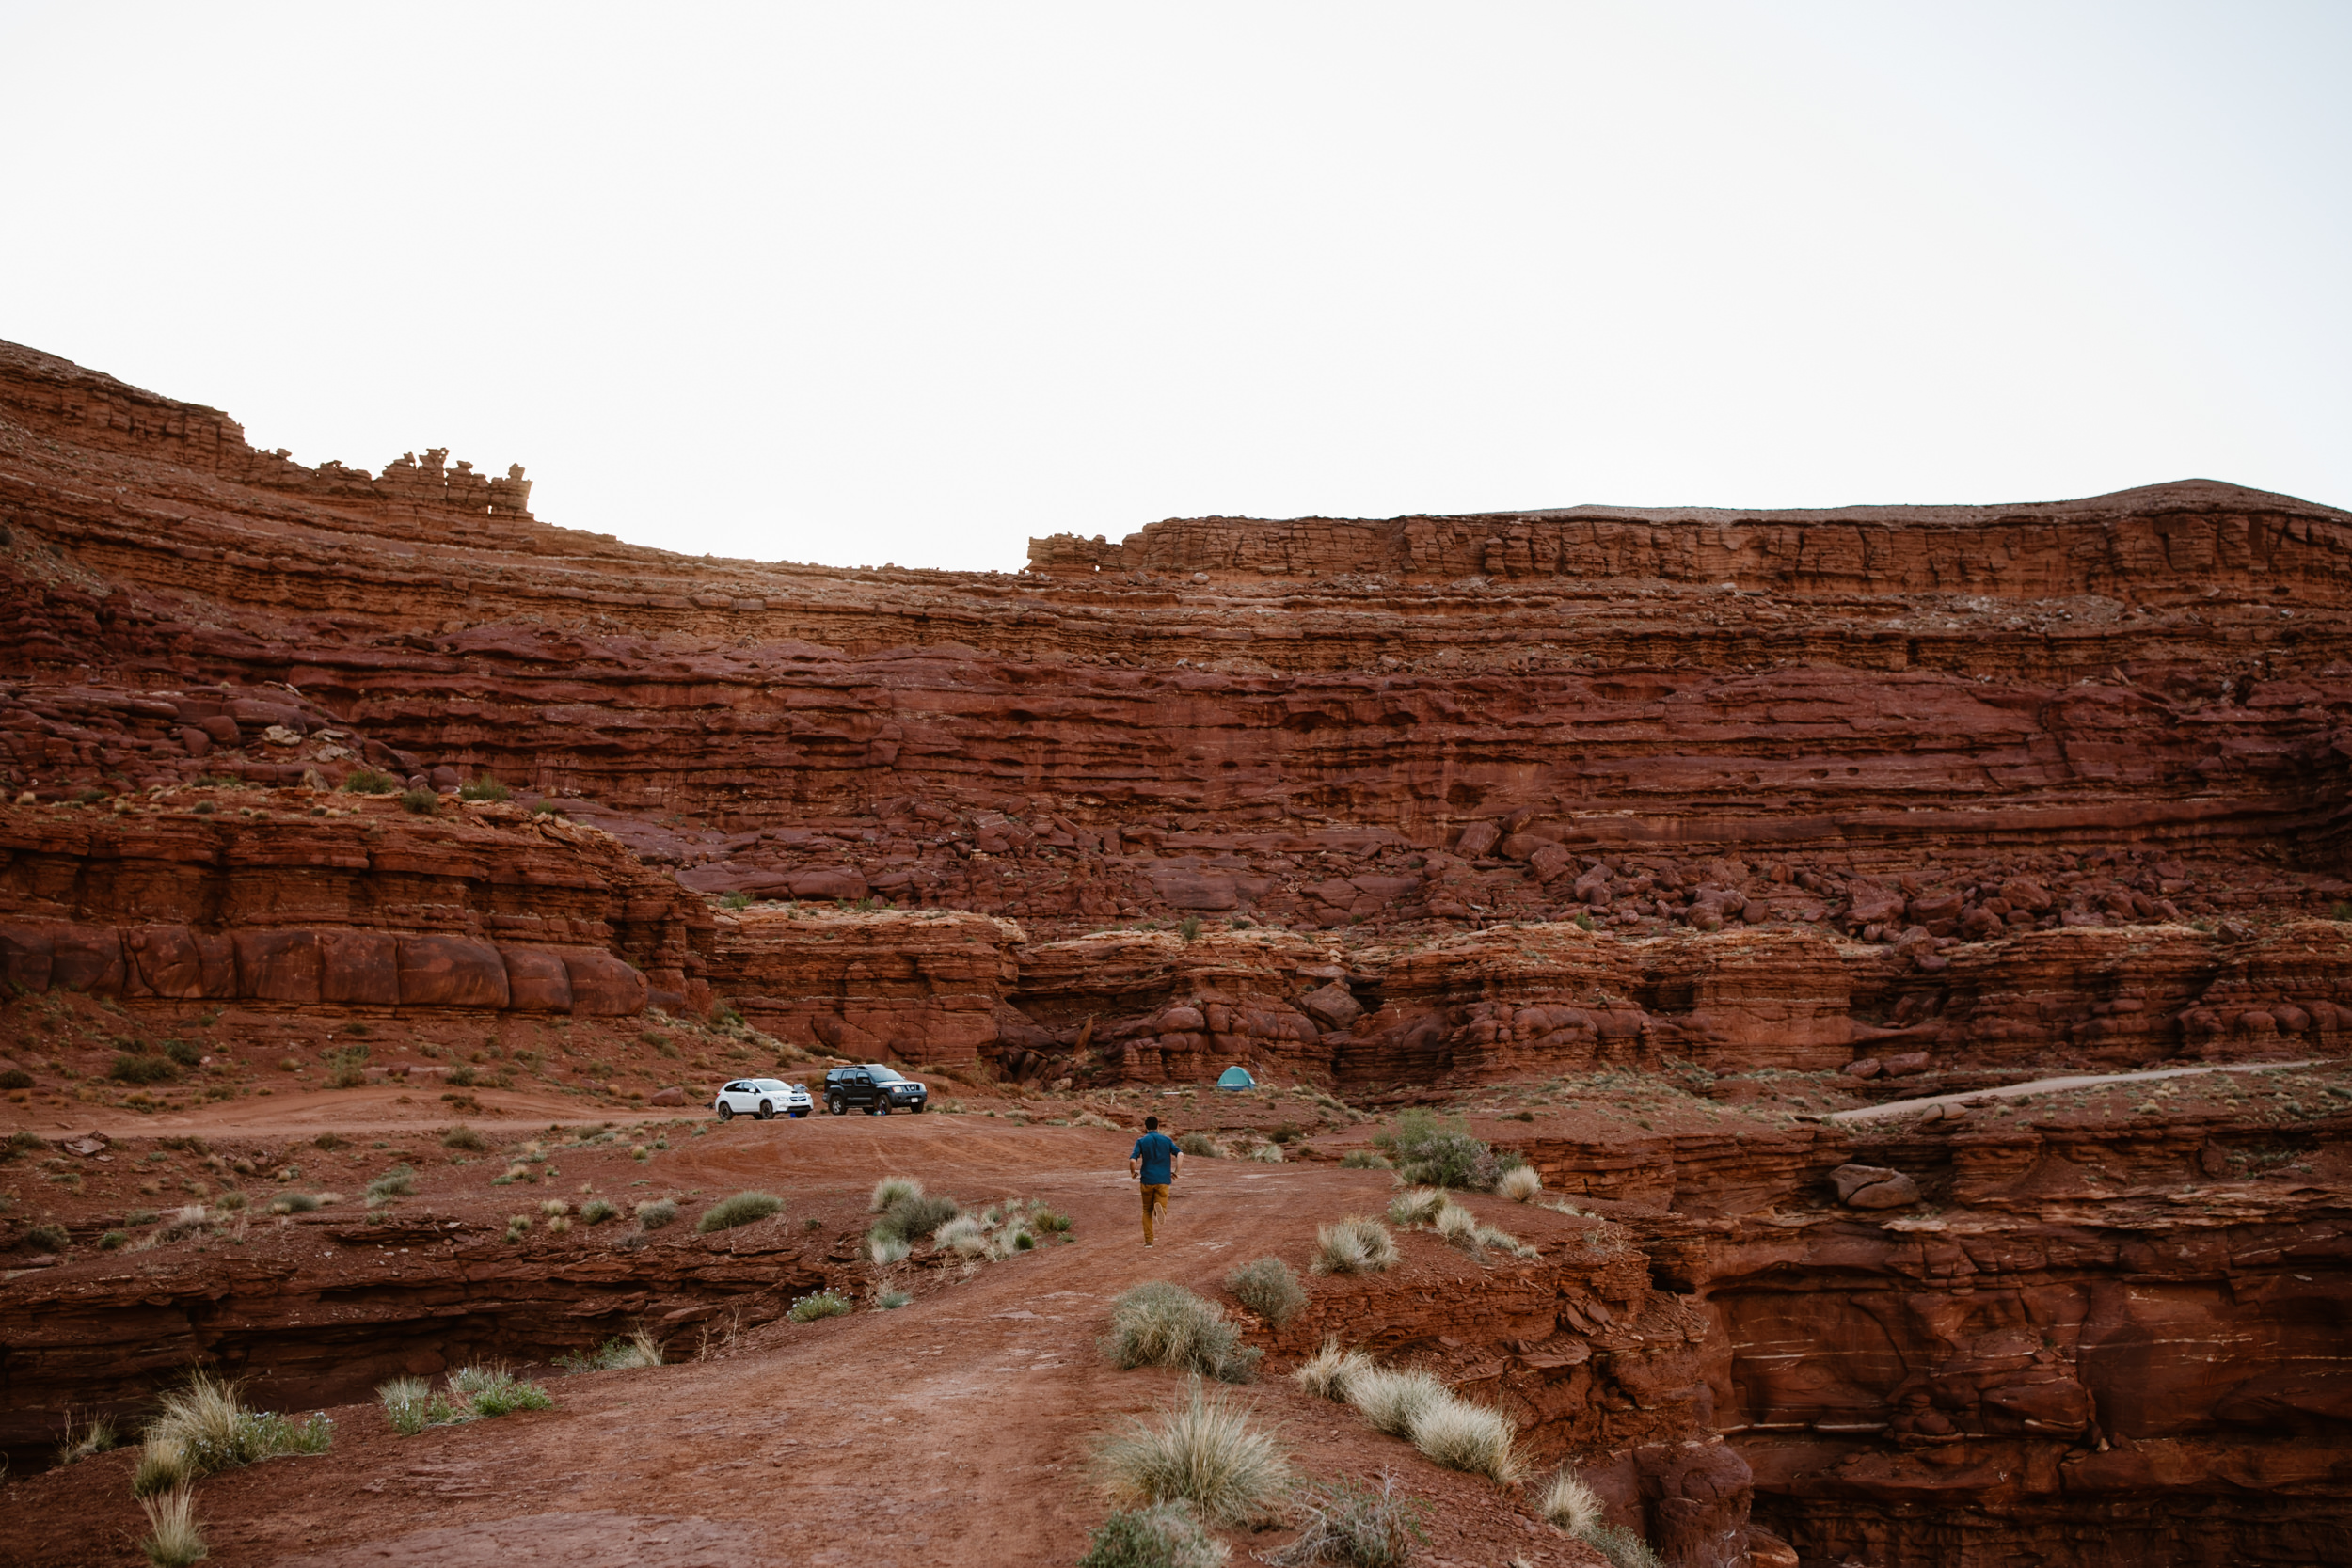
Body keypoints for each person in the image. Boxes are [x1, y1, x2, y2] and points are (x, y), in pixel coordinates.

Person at [1128, 1115, 1183, 1246]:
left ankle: (1149, 1241)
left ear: (1145, 1127)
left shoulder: (1141, 1141)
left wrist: (1133, 1172)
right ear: (1158, 1126)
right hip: (1163, 1179)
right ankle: (1160, 1209)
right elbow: (1180, 1154)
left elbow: (1132, 1160)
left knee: (1146, 1210)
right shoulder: (1167, 1140)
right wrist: (1176, 1171)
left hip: (1147, 1180)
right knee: (1161, 1203)